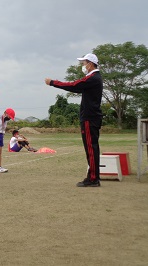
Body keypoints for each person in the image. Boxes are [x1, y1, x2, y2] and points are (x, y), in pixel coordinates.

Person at [45, 53, 103, 187]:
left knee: (91, 147)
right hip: (91, 116)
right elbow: (78, 88)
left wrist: (53, 83)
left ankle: (93, 178)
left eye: (84, 63)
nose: (83, 66)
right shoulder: (93, 78)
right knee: (92, 147)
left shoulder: (93, 78)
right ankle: (93, 176)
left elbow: (74, 85)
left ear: (91, 63)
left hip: (90, 117)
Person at [0, 108, 15, 173]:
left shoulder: (5, 121)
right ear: (5, 114)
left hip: (1, 135)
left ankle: (0, 166)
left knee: (0, 152)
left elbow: (3, 129)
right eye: (9, 117)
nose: (9, 118)